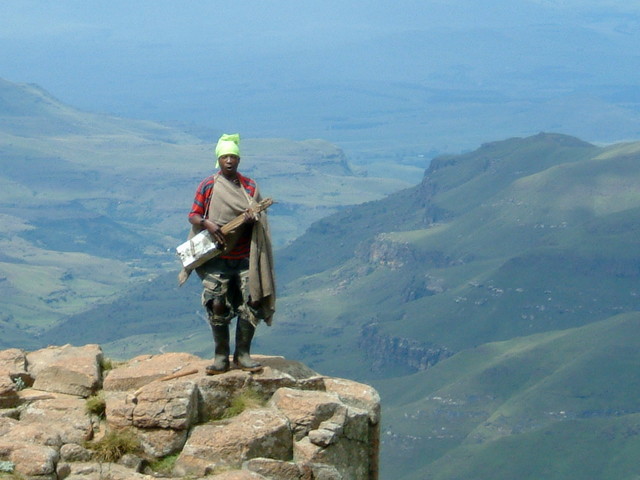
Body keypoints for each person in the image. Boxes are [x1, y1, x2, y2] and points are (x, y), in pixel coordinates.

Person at [187, 133, 276, 375]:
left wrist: (251, 218)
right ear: (219, 159)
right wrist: (208, 224)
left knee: (253, 299)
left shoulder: (249, 187)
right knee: (217, 303)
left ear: (239, 160)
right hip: (217, 258)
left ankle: (243, 354)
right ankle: (220, 356)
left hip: (245, 255)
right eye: (225, 156)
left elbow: (260, 219)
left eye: (233, 157)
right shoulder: (209, 185)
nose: (229, 161)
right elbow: (193, 215)